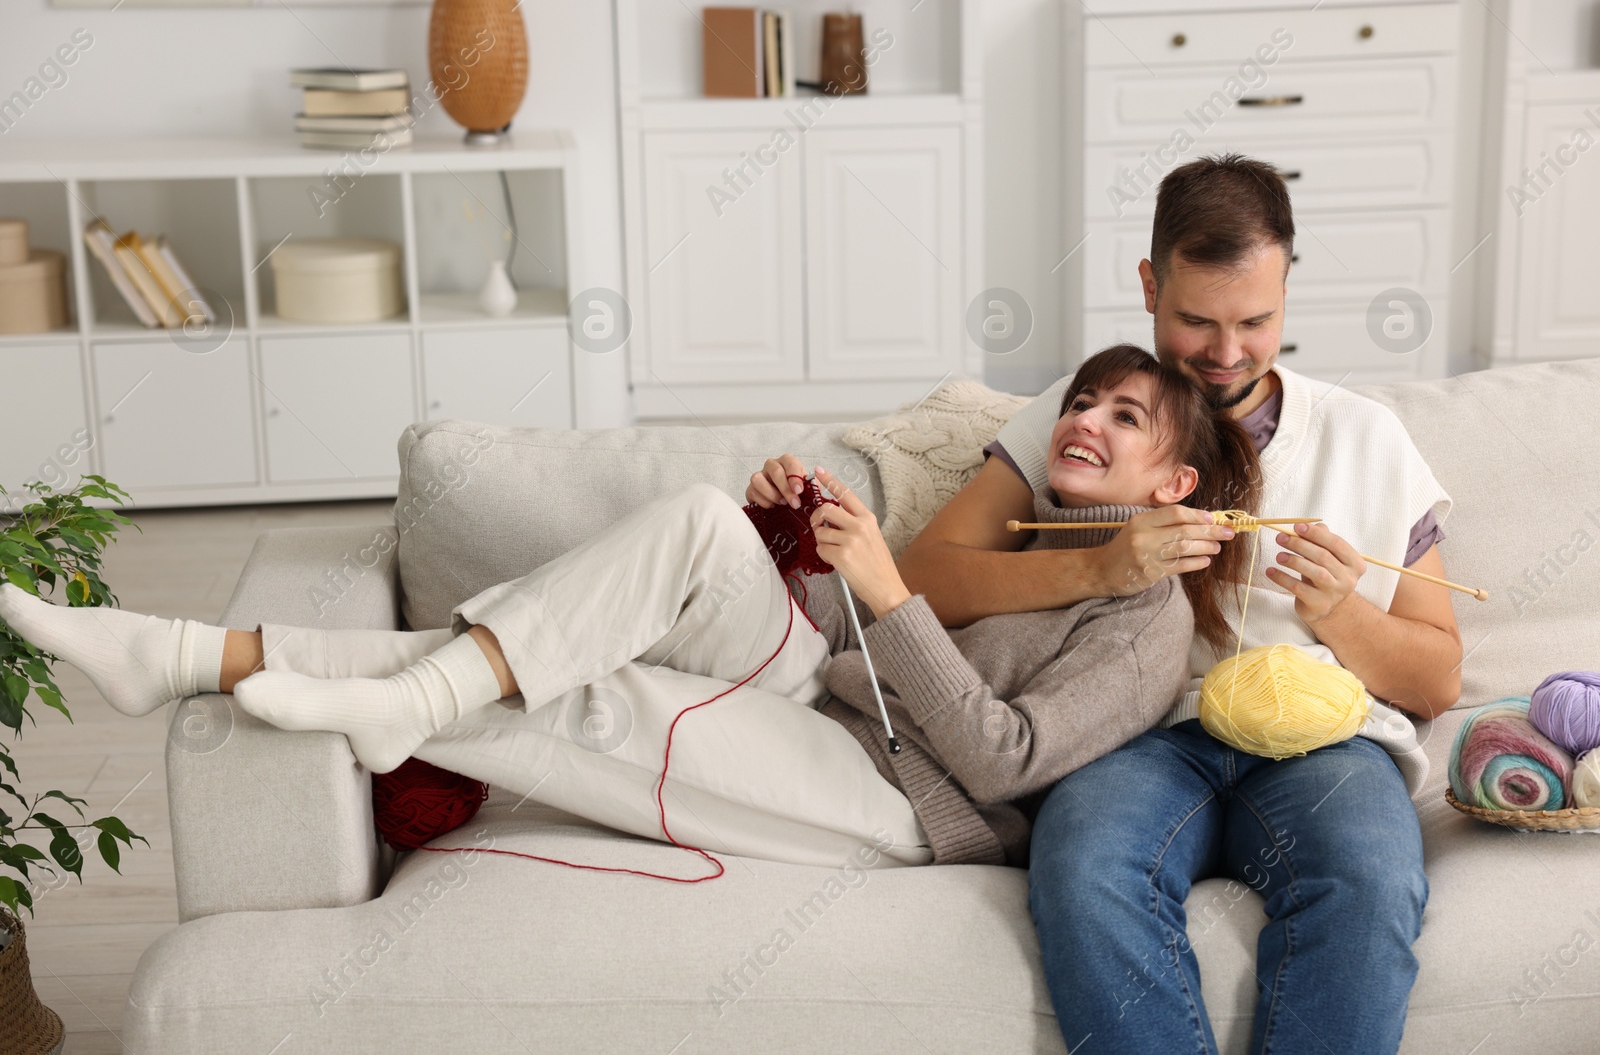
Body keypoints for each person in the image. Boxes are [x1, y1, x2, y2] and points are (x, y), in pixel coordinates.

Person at [0, 346, 1250, 871]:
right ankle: (385, 699)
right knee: (707, 521)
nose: (1084, 421)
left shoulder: (1150, 624)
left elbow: (998, 758)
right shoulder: (1023, 518)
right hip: (824, 687)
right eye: (1084, 401)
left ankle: (177, 653)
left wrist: (881, 589)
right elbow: (878, 632)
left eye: (1123, 418)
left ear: (1175, 481)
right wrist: (804, 548)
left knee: (594, 695)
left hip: (901, 799)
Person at [895, 153, 1459, 1053]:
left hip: (1322, 743)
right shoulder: (1081, 415)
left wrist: (1344, 615)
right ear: (1151, 285)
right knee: (1082, 866)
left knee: (1370, 878)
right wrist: (1101, 568)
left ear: (1287, 292)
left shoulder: (1366, 438)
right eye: (1196, 320)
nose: (1226, 354)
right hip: (1132, 736)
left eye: (1256, 321)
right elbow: (921, 578)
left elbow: (1438, 680)